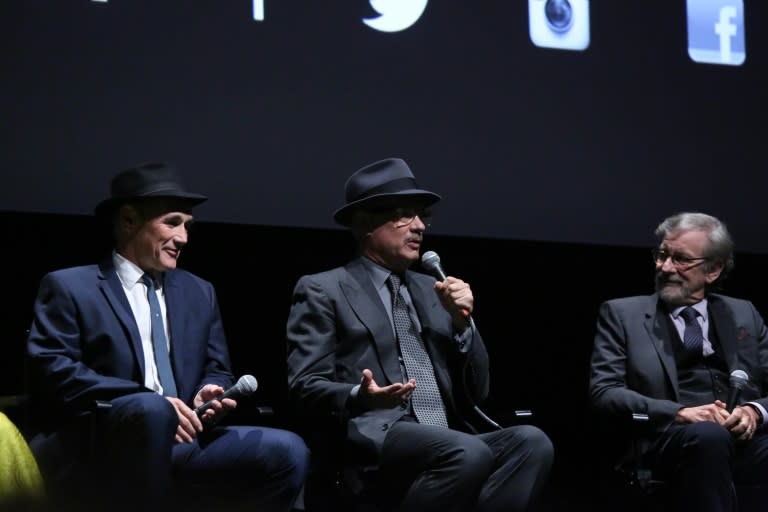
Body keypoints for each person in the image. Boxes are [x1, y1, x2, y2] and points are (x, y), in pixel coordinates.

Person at [25, 162, 309, 512]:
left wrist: (210, 392)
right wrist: (152, 402)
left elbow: (217, 368)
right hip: (100, 442)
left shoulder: (199, 291)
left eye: (188, 226)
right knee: (151, 410)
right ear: (129, 221)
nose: (184, 238)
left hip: (183, 439)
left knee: (288, 451)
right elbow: (53, 369)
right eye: (172, 223)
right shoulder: (70, 286)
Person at [286, 157, 554, 512]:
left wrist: (463, 326)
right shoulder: (325, 288)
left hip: (447, 432)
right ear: (366, 222)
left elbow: (479, 391)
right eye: (403, 214)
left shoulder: (434, 290)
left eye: (422, 216)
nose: (419, 227)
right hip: (375, 433)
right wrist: (361, 395)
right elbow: (304, 386)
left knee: (532, 442)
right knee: (466, 451)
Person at [589, 211, 768, 512]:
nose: (665, 267)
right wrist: (680, 412)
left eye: (681, 259)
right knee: (709, 437)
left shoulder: (743, 314)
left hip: (740, 437)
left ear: (713, 270)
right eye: (661, 255)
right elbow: (604, 392)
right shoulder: (622, 315)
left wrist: (755, 412)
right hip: (668, 439)